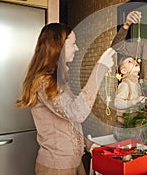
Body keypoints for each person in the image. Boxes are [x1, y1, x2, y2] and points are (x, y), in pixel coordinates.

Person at [16, 23, 115, 175]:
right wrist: (99, 68)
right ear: (58, 47)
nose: (77, 48)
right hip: (56, 167)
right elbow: (77, 113)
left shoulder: (57, 81)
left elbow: (68, 122)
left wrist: (88, 145)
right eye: (73, 44)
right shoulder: (43, 82)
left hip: (74, 162)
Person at [113, 56, 145, 141]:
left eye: (134, 60)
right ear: (124, 71)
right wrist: (135, 101)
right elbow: (117, 103)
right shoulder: (125, 84)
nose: (134, 61)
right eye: (129, 62)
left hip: (133, 124)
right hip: (123, 126)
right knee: (124, 149)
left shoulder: (136, 84)